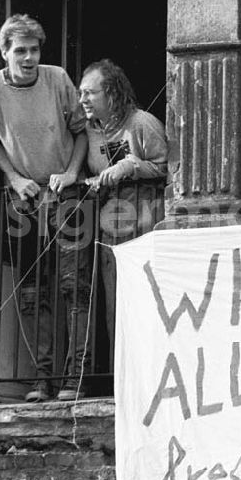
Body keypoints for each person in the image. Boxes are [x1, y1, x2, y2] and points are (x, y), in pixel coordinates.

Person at [0, 13, 92, 402]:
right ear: (5, 52)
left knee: (73, 285)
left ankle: (75, 377)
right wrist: (12, 177)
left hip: (66, 195)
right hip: (23, 199)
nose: (29, 58)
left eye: (35, 49)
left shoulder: (57, 78)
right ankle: (42, 379)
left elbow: (80, 132)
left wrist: (72, 173)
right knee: (33, 291)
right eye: (20, 50)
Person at [80, 59, 168, 349]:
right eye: (82, 93)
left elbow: (167, 167)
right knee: (116, 307)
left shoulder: (142, 123)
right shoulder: (90, 132)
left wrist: (132, 167)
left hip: (144, 225)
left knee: (147, 301)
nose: (83, 100)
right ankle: (122, 378)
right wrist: (93, 182)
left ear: (111, 93)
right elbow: (88, 171)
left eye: (90, 93)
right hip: (111, 231)